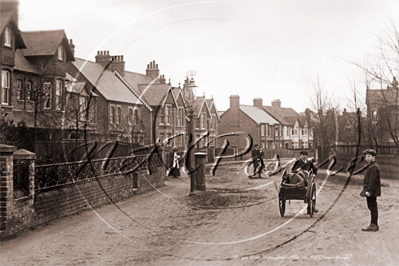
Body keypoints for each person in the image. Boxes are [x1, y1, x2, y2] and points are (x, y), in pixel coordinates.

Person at [360, 149, 381, 232]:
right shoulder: (371, 166)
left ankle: (374, 225)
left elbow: (373, 181)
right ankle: (374, 224)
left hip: (371, 192)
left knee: (372, 207)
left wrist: (369, 191)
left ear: (374, 157)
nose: (367, 158)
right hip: (371, 191)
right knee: (371, 206)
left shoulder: (373, 167)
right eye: (366, 157)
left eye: (369, 156)